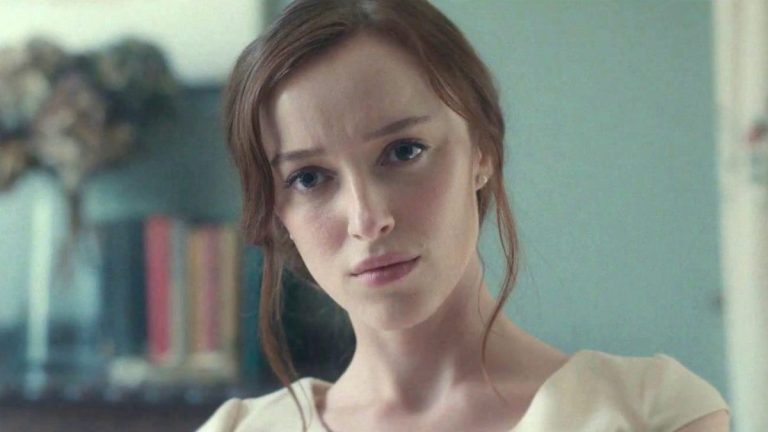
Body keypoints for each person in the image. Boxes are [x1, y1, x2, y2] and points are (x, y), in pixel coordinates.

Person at [199, 0, 731, 430]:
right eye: (309, 178)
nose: (367, 218)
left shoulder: (652, 413)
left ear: (483, 152)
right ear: (277, 211)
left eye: (404, 151)